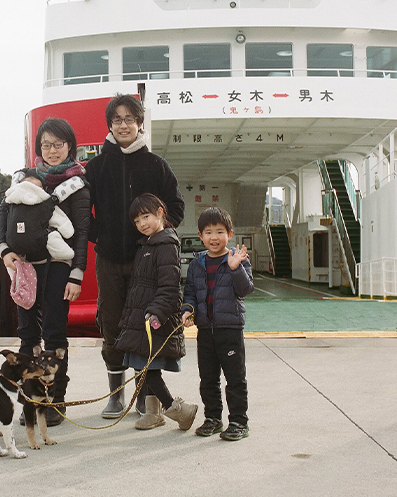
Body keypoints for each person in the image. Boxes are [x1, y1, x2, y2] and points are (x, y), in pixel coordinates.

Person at [85, 93, 185, 419]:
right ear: (110, 125)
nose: (123, 125)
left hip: (148, 262)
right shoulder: (97, 166)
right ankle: (116, 394)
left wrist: (155, 239)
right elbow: (82, 212)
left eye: (130, 119)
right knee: (112, 323)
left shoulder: (157, 165)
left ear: (140, 123)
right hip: (110, 260)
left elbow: (177, 208)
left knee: (145, 327)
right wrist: (99, 235)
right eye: (117, 120)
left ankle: (144, 394)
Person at [0, 118, 90, 426]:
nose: (52, 151)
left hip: (60, 268)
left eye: (58, 145)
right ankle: (28, 399)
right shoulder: (23, 178)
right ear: (38, 147)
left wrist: (77, 273)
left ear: (70, 147)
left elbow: (81, 232)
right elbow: (2, 214)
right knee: (27, 333)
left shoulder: (77, 183)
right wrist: (4, 249)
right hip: (25, 266)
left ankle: (55, 402)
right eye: (46, 144)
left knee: (54, 332)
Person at [115, 194, 197, 431]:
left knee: (146, 369)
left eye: (146, 216)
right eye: (137, 221)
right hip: (141, 317)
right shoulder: (147, 244)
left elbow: (170, 287)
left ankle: (178, 410)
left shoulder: (165, 245)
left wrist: (156, 313)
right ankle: (153, 413)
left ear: (161, 212)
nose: (142, 224)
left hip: (154, 319)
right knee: (142, 367)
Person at [181, 207, 254, 441]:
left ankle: (238, 422)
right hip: (205, 331)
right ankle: (213, 418)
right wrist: (187, 310)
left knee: (235, 379)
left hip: (229, 329)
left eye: (220, 232)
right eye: (208, 232)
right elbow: (190, 293)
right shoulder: (196, 265)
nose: (214, 237)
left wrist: (235, 269)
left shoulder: (238, 259)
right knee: (208, 378)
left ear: (229, 234)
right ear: (200, 236)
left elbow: (245, 289)